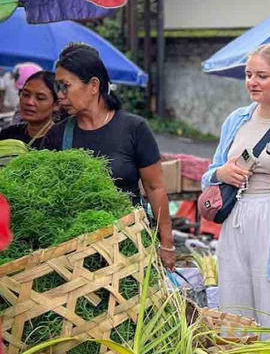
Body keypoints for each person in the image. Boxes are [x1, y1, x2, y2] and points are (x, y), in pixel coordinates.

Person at [201, 44, 270, 327]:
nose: (252, 82)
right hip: (236, 215)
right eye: (249, 75)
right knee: (235, 302)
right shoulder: (236, 119)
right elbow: (209, 174)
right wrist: (223, 173)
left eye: (262, 76)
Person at [42, 43, 176, 270]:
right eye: (57, 87)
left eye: (65, 86)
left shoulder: (134, 128)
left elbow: (155, 188)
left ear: (93, 86)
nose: (60, 95)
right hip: (74, 258)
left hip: (130, 249)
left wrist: (167, 244)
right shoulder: (58, 135)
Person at [0, 71, 58, 149]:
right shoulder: (8, 135)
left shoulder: (61, 141)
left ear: (56, 104)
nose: (29, 102)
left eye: (40, 98)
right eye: (25, 94)